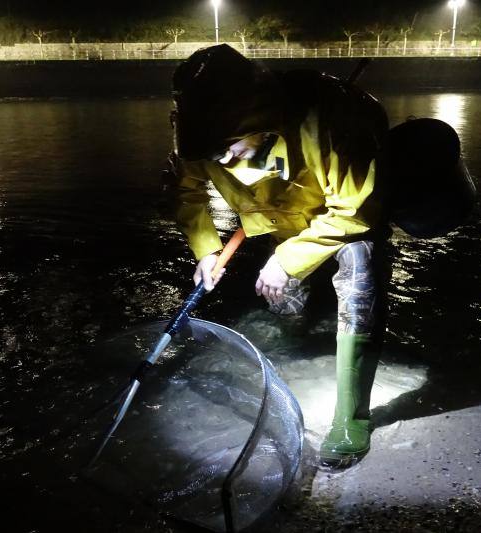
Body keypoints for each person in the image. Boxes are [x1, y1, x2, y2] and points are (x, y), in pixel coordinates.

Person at [166, 44, 390, 469]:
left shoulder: (333, 120)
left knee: (359, 281)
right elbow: (184, 192)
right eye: (212, 153)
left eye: (230, 147)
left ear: (261, 117)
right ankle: (292, 343)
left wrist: (288, 261)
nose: (222, 160)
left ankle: (352, 415)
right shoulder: (199, 133)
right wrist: (206, 249)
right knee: (281, 293)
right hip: (278, 215)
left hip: (346, 214)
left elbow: (356, 210)